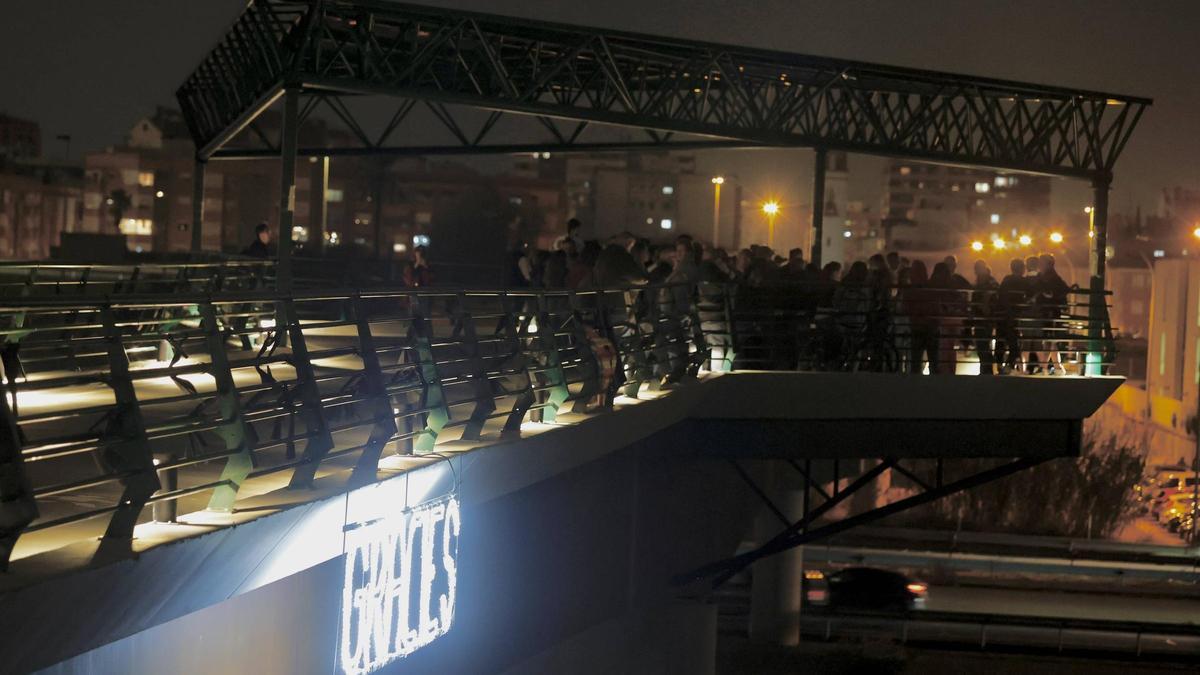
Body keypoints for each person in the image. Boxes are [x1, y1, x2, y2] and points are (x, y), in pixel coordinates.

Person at [899, 260, 939, 374]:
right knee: (934, 360)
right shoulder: (931, 288)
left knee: (916, 361)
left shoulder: (909, 291)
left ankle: (915, 385)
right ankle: (935, 385)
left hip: (917, 327)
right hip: (931, 327)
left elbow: (904, 309)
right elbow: (936, 307)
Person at [997, 258, 1027, 374]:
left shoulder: (1006, 280)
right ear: (1022, 269)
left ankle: (1000, 366)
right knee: (1014, 342)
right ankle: (1009, 365)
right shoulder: (1024, 282)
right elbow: (1030, 293)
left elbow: (1001, 295)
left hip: (1003, 314)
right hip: (1015, 315)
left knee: (1002, 340)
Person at [970, 260, 1000, 375]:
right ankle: (986, 369)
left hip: (985, 317)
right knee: (982, 345)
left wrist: (984, 304)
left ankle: (987, 369)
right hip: (982, 317)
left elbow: (992, 294)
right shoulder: (986, 281)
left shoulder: (987, 282)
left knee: (982, 345)